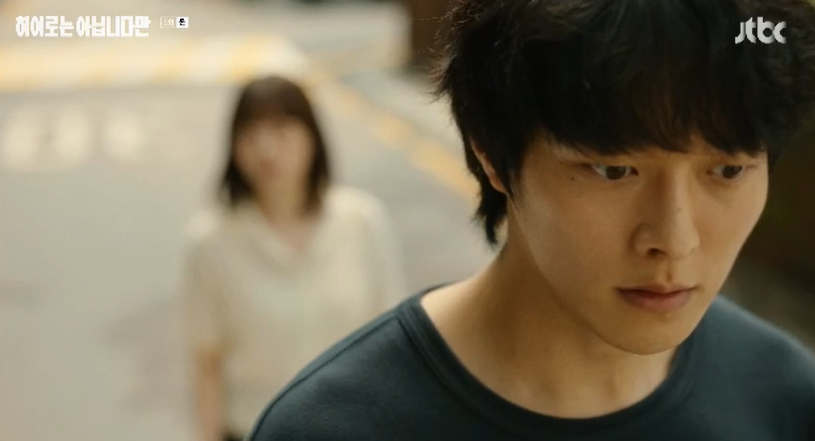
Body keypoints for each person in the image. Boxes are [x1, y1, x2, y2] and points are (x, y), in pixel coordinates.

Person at [248, 1, 815, 440]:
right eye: (614, 170)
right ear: (492, 153)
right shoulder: (333, 427)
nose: (674, 240)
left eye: (728, 171)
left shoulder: (786, 399)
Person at [182, 75, 407, 441]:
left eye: (282, 129)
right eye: (250, 133)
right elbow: (207, 364)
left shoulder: (362, 223)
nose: (266, 149)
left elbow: (392, 348)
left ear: (312, 137)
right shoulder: (211, 242)